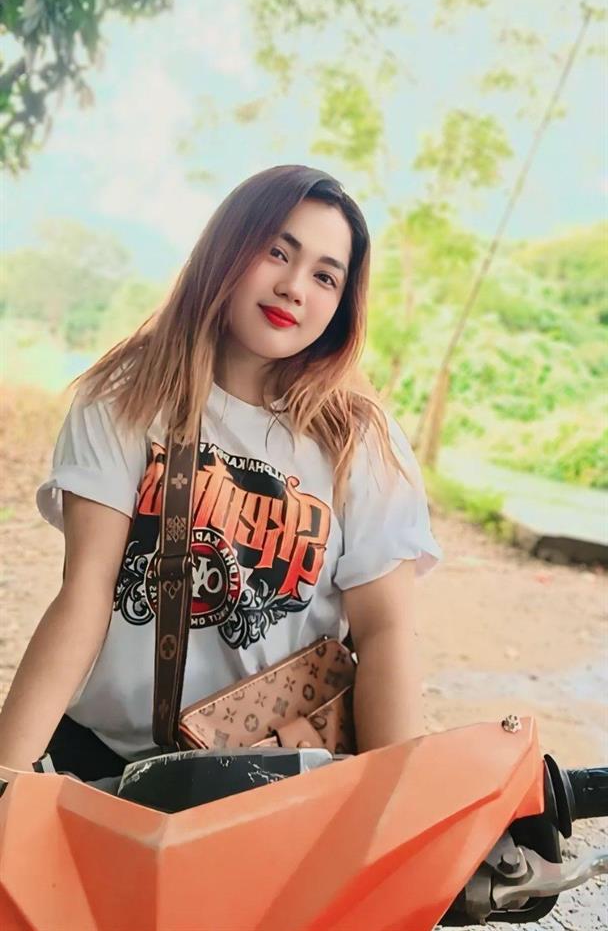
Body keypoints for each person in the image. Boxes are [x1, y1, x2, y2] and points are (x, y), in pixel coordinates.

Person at [0, 164, 442, 780]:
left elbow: (385, 632)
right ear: (227, 247)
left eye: (324, 276)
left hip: (272, 776)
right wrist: (8, 776)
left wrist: (394, 805)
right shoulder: (124, 398)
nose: (293, 287)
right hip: (103, 761)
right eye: (276, 252)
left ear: (341, 305)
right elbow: (85, 595)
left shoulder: (360, 440)